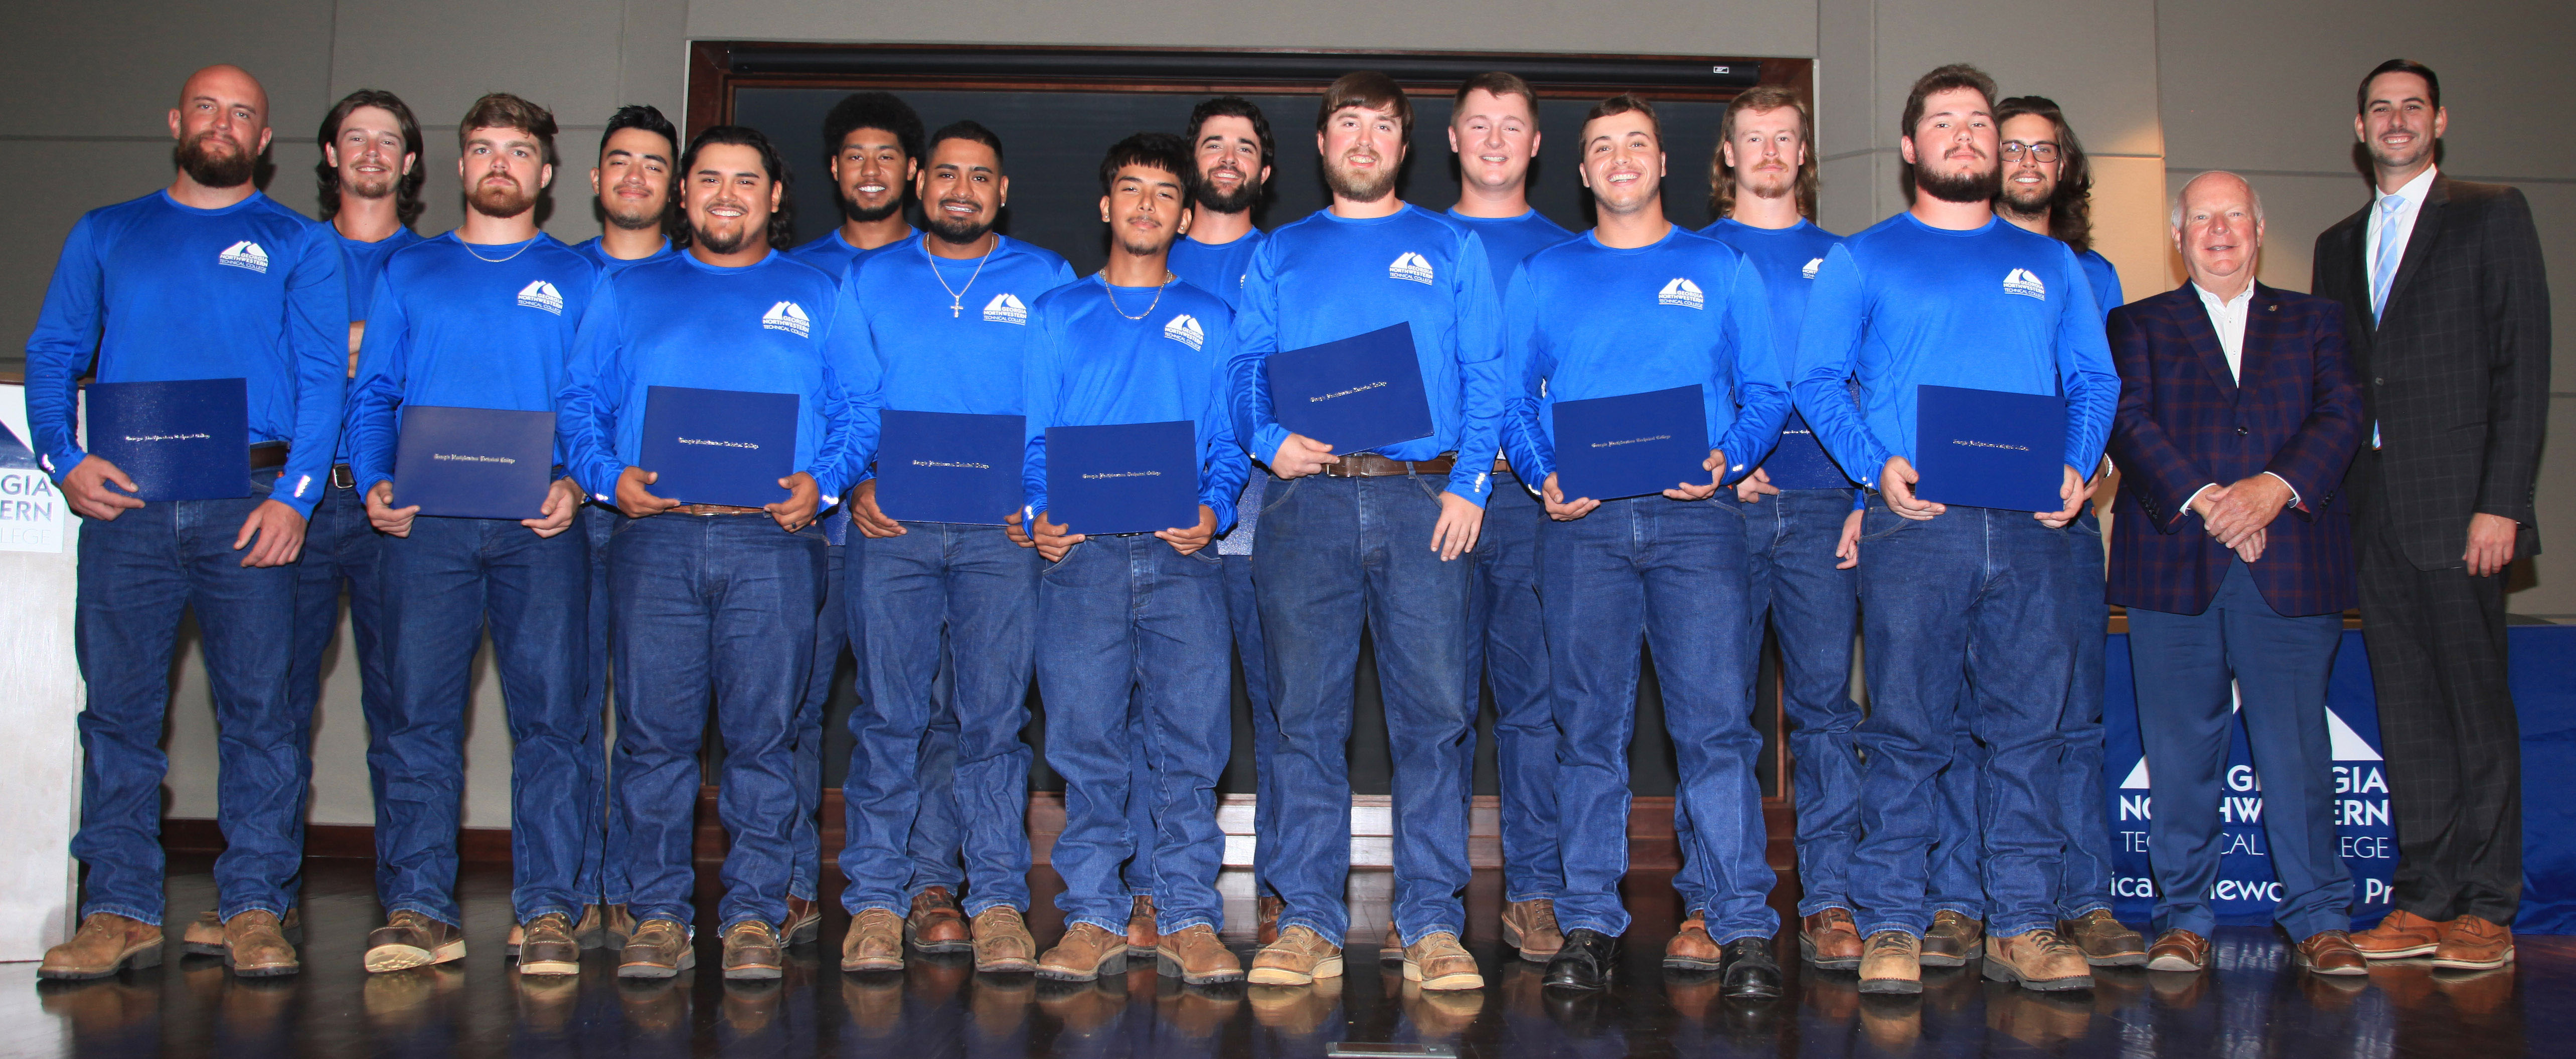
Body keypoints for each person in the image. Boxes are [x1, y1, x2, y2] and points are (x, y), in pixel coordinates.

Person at [1792, 64, 2118, 996]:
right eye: (1946, 124)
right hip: (1916, 525)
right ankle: (1893, 918)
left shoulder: (2054, 265)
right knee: (1904, 730)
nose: (1968, 137)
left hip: (2034, 531)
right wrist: (1872, 465)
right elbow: (1819, 379)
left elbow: (2094, 381)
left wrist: (2079, 461)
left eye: (1980, 123)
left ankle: (2020, 922)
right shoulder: (1865, 257)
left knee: (2027, 736)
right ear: (1911, 148)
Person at [32, 65, 346, 980]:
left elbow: (325, 375)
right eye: (206, 107)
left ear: (263, 139)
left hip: (251, 506)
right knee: (120, 719)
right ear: (177, 119)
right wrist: (61, 456)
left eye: (241, 113)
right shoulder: (106, 232)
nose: (222, 124)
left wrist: (296, 496)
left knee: (262, 717)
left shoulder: (298, 242)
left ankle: (255, 906)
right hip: (126, 503)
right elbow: (55, 351)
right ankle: (119, 908)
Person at [559, 123, 858, 981]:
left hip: (773, 542)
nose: (727, 195)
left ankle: (757, 916)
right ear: (684, 195)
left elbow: (859, 411)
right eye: (709, 180)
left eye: (746, 181)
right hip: (652, 542)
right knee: (654, 742)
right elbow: (579, 402)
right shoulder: (626, 291)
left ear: (775, 197)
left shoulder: (819, 294)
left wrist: (825, 484)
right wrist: (611, 479)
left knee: (766, 741)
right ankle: (656, 914)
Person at [1505, 94, 1785, 997]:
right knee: (1587, 733)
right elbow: (1513, 401)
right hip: (1581, 531)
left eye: (1637, 145)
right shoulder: (1543, 275)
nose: (1621, 160)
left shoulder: (1722, 264)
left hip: (1697, 523)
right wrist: (1545, 472)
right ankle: (1589, 921)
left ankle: (1742, 925)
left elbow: (1768, 392)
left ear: (1664, 162)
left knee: (1715, 731)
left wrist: (1728, 458)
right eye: (1602, 149)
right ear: (1580, 172)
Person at [1230, 71, 1503, 992]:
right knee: (1303, 722)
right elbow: (1242, 371)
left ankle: (1430, 924)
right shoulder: (1280, 252)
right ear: (1320, 145)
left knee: (1436, 721)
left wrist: (1469, 484)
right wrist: (1268, 441)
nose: (1364, 140)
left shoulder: (1450, 243)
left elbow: (1487, 373)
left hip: (1424, 504)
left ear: (1404, 147)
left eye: (1383, 127)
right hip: (1305, 504)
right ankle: (1305, 920)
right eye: (1347, 124)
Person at [168, 87, 427, 962]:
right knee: (271, 705)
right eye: (354, 138)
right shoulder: (280, 248)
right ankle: (258, 901)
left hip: (398, 507)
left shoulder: (434, 265)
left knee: (407, 711)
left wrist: (366, 348)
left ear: (412, 162)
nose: (370, 153)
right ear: (325, 155)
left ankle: (412, 908)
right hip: (295, 503)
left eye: (388, 141)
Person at [344, 93, 600, 976]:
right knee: (415, 720)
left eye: (520, 151)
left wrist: (578, 481)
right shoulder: (409, 273)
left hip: (539, 527)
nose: (501, 164)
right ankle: (419, 911)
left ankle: (551, 912)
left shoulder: (581, 277)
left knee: (555, 725)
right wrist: (376, 477)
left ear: (547, 174)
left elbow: (597, 406)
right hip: (426, 528)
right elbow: (375, 393)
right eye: (484, 149)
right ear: (457, 167)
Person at [829, 121, 1076, 975]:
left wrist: (1042, 498)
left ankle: (999, 899)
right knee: (890, 719)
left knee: (994, 723)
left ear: (1003, 191)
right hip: (890, 529)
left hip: (1000, 536)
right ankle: (873, 902)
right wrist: (856, 480)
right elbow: (850, 402)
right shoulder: (866, 278)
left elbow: (1063, 403)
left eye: (980, 176)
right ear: (920, 186)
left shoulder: (1046, 277)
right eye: (945, 175)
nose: (961, 190)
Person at [2319, 59, 2549, 972]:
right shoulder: (2339, 243)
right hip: (2371, 516)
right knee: (2407, 711)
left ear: (2440, 121)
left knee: (2476, 711)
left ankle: (2488, 907)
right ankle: (2423, 898)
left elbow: (2522, 370)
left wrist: (2504, 503)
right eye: (2381, 108)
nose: (2397, 121)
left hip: (2464, 512)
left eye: (2413, 107)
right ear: (2361, 128)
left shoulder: (2492, 214)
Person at [2110, 170, 2366, 976]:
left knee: (2297, 751)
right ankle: (2182, 917)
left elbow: (2344, 413)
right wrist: (2211, 502)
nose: (2219, 232)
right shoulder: (2137, 323)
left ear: (2258, 229)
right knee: (2180, 754)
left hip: (2290, 560)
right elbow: (2126, 417)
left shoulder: (2319, 320)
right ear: (2178, 237)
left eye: (2234, 217)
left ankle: (2320, 916)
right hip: (2173, 562)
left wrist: (2268, 492)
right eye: (2201, 220)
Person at [1022, 132, 1249, 986]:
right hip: (1079, 561)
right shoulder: (1057, 315)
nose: (1147, 205)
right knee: (1085, 742)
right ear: (1106, 205)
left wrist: (1215, 507)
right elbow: (1036, 440)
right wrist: (1042, 511)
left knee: (1193, 743)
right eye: (1131, 189)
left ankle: (1188, 913)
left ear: (1185, 215)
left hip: (1182, 555)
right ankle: (1092, 915)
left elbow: (1229, 445)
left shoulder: (1214, 318)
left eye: (1164, 193)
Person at [786, 90, 978, 957]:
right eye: (852, 155)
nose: (870, 169)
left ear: (912, 172)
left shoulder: (962, 270)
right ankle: (791, 887)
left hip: (920, 536)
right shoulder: (796, 273)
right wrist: (852, 478)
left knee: (934, 710)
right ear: (834, 171)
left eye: (886, 156)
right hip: (801, 534)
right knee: (792, 713)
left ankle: (930, 881)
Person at [1699, 83, 1863, 973]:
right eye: (1753, 138)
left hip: (1825, 509)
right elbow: (1671, 378)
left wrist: (1868, 497)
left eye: (1785, 138)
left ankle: (1831, 899)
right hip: (1721, 513)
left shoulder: (1847, 259)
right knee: (1712, 716)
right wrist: (1726, 452)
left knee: (1827, 716)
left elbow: (1876, 386)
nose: (1769, 152)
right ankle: (1708, 899)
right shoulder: (1691, 256)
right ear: (1727, 154)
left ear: (1805, 155)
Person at [1989, 93, 2146, 969]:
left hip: (2062, 521)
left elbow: (2110, 393)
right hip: (1967, 516)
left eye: (2043, 151)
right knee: (1976, 716)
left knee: (2076, 718)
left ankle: (2086, 899)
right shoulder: (1959, 261)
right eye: (2011, 147)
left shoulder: (2097, 275)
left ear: (2065, 166)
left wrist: (2097, 476)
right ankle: (1965, 900)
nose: (2027, 162)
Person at [1437, 71, 1572, 965]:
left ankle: (1536, 894)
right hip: (1434, 499)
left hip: (1532, 507)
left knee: (1535, 708)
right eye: (1478, 124)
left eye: (1511, 125)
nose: (1494, 138)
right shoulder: (1411, 241)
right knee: (1436, 709)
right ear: (1450, 140)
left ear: (1534, 145)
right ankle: (1434, 901)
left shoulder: (1569, 253)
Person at [1153, 94, 1278, 953]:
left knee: (1286, 714)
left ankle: (1284, 892)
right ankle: (1157, 889)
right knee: (1162, 720)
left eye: (1244, 147)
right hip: (1166, 527)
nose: (1227, 157)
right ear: (1190, 160)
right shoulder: (1148, 257)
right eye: (1212, 144)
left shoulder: (1291, 261)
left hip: (1276, 529)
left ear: (1266, 172)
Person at [562, 102, 682, 957]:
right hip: (559, 518)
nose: (635, 177)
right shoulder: (556, 277)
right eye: (620, 161)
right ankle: (567, 897)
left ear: (674, 188)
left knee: (653, 722)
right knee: (564, 713)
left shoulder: (696, 282)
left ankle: (641, 895)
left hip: (664, 529)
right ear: (595, 176)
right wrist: (583, 477)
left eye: (653, 164)